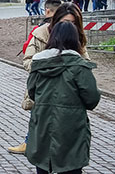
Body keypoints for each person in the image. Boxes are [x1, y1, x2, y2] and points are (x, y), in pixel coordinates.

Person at [26, 21, 100, 174]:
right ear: (75, 40)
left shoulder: (38, 64)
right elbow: (92, 98)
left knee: (43, 163)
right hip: (71, 126)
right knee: (71, 166)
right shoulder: (80, 67)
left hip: (42, 123)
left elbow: (32, 92)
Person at [8, 0, 64, 154]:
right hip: (42, 86)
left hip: (60, 88)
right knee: (38, 117)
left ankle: (35, 145)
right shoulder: (39, 32)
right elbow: (27, 61)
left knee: (47, 120)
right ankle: (30, 143)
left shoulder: (70, 32)